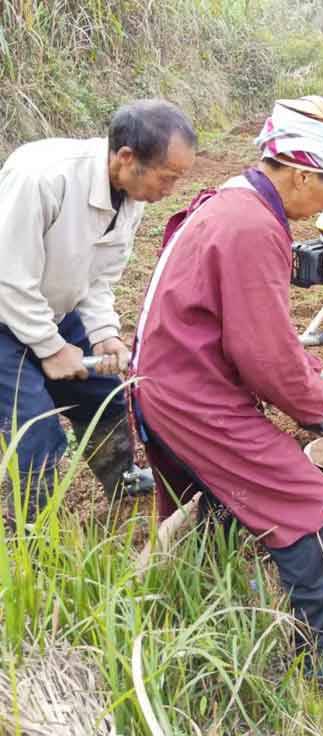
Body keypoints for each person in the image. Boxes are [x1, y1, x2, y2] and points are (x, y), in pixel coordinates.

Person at [132, 97, 323, 690]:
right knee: (309, 502)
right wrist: (318, 403)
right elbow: (262, 354)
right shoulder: (251, 228)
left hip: (167, 382)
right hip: (193, 397)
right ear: (299, 174)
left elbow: (250, 329)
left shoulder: (235, 199)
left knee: (219, 500)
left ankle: (196, 602)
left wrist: (307, 369)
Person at [0, 99, 197, 522]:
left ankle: (123, 484)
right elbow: (9, 278)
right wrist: (52, 349)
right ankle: (30, 538)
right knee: (36, 432)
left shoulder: (131, 194)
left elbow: (100, 278)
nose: (171, 190)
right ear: (127, 157)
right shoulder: (42, 177)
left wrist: (104, 333)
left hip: (50, 308)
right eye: (168, 176)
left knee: (103, 395)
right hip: (5, 313)